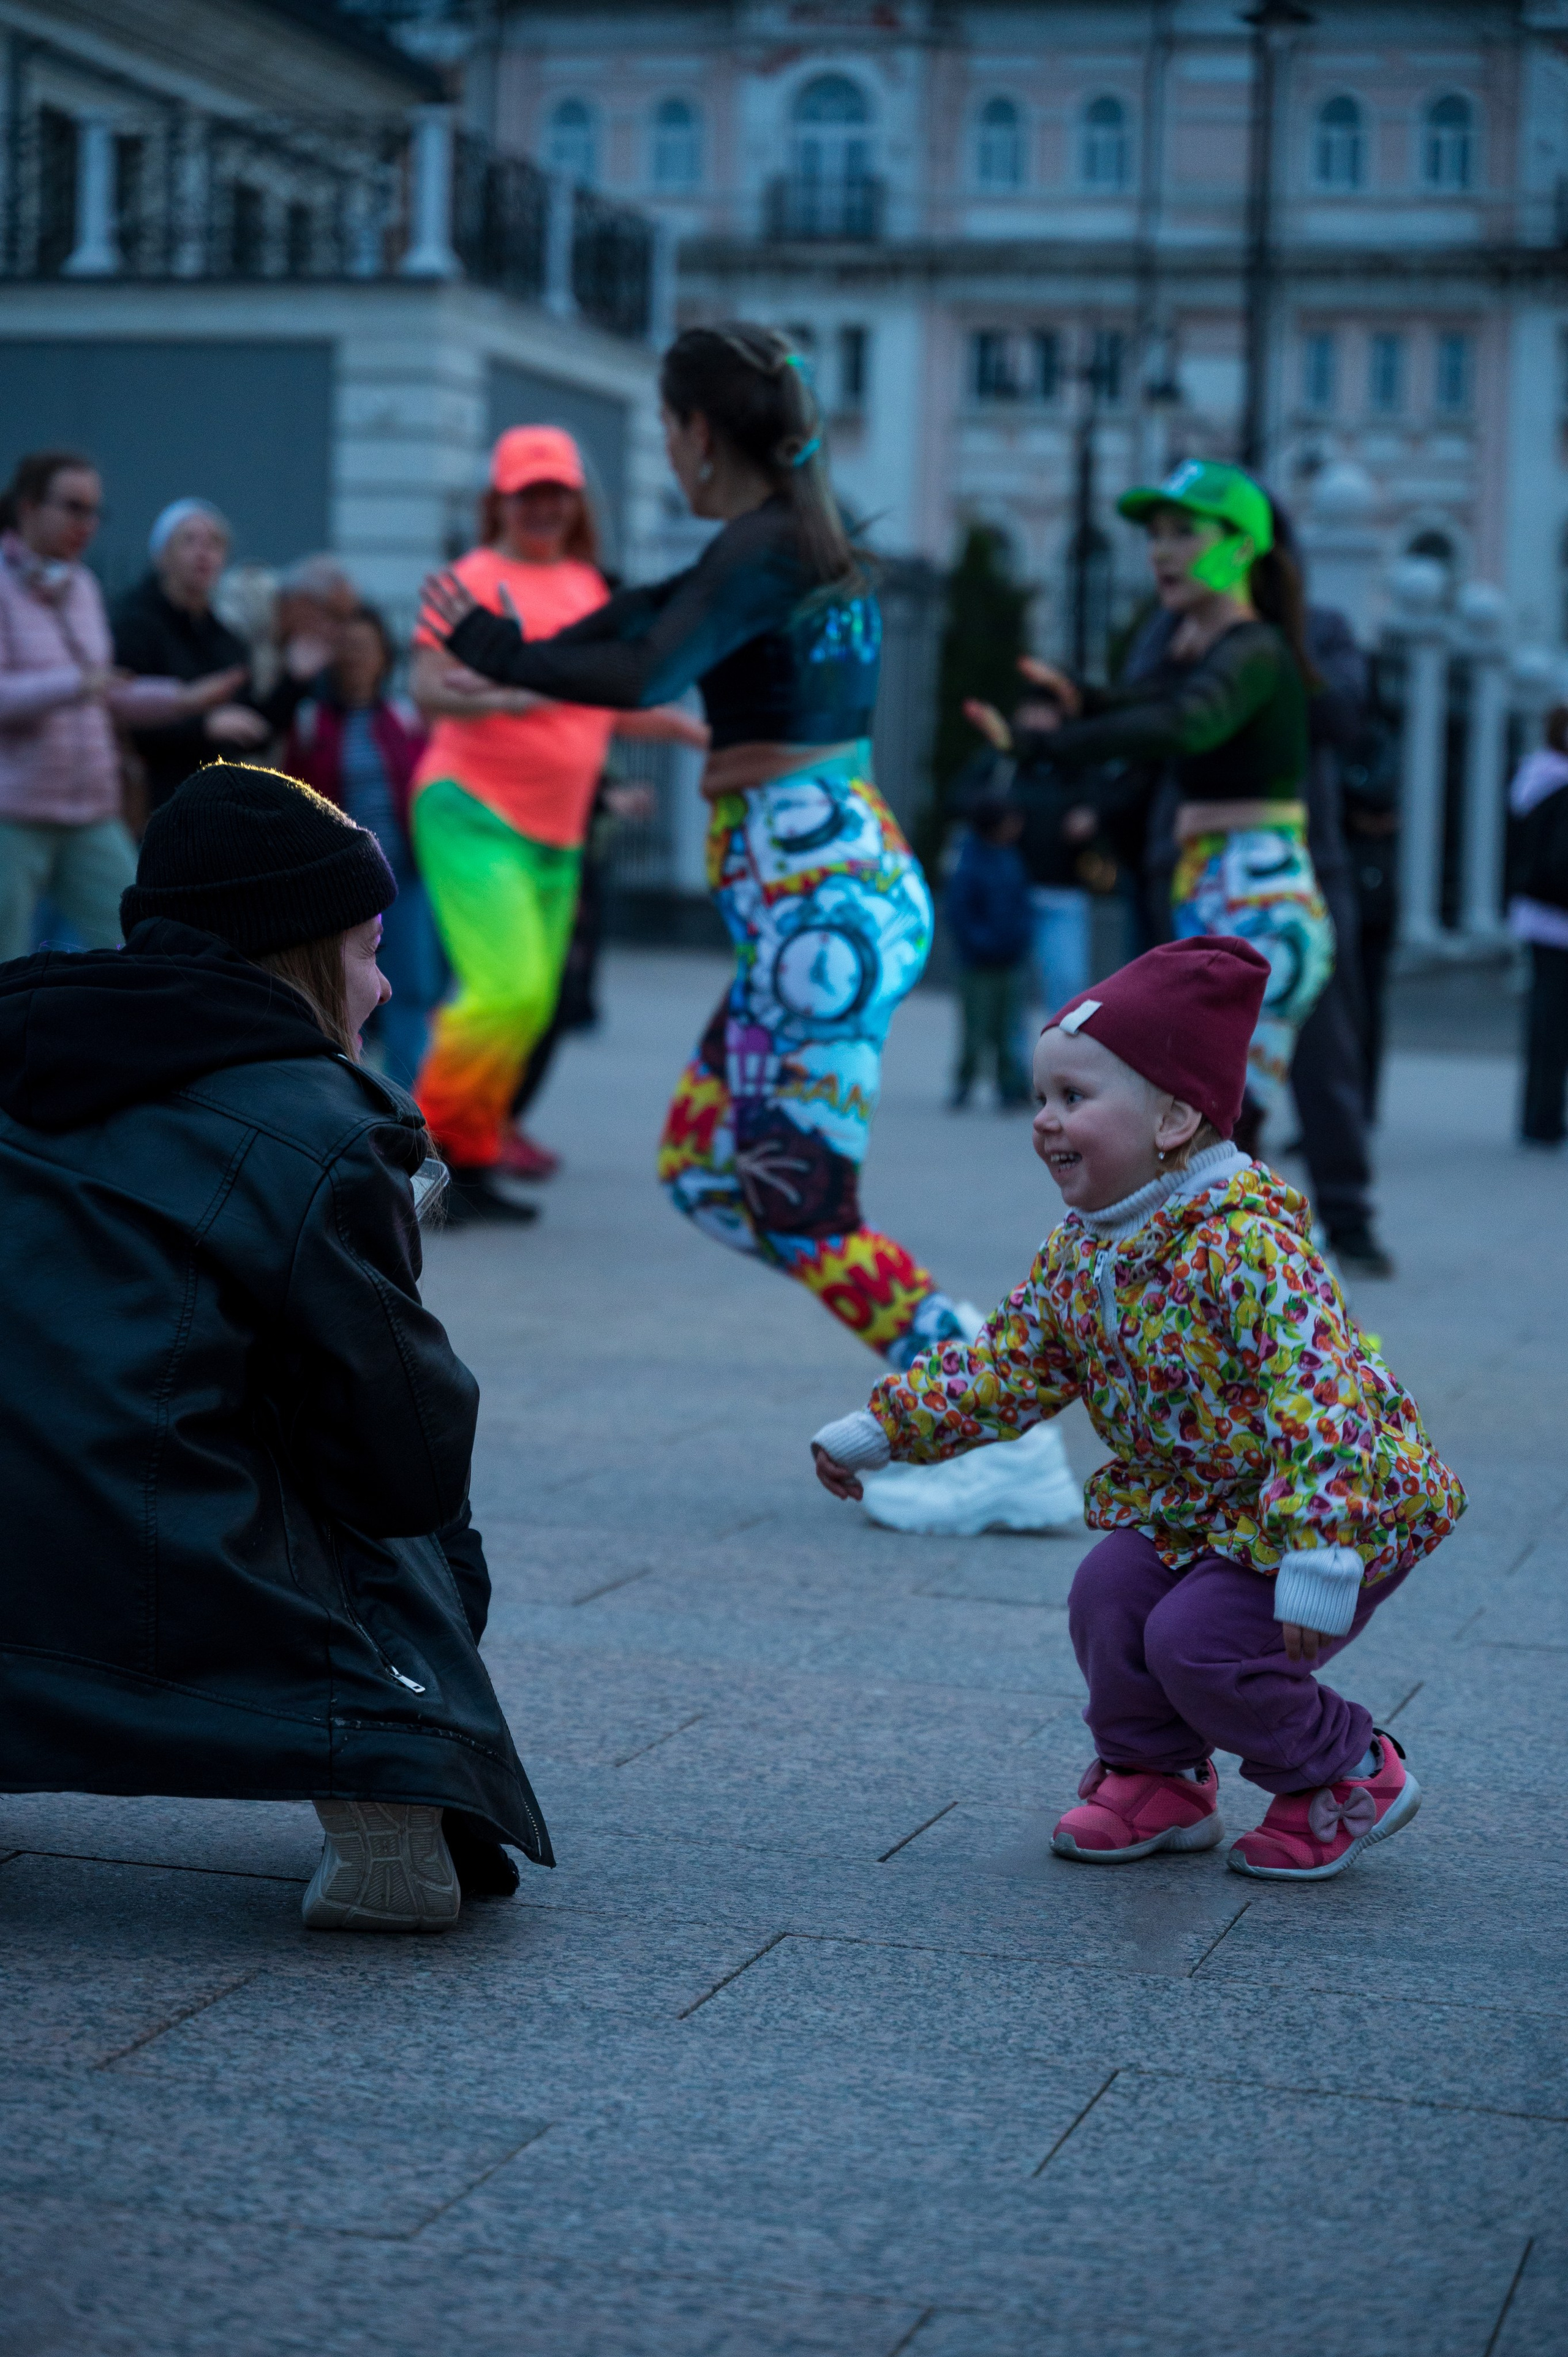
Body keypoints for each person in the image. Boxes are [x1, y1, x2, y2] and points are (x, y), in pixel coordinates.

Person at [420, 323, 1082, 1536]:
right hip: (801, 916)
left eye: (668, 430)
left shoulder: (775, 548)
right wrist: (512, 646)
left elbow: (647, 666)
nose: (667, 453)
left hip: (816, 922)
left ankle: (997, 1422)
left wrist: (497, 649)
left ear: (694, 431)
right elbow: (641, 616)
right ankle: (967, 1380)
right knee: (703, 1175)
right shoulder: (779, 543)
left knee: (797, 1201)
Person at [0, 761, 550, 1929]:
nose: (387, 985)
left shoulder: (18, 1031)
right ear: (298, 953)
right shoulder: (319, 1124)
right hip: (155, 1556)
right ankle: (391, 1771)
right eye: (366, 948)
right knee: (388, 1484)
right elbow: (404, 1460)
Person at [811, 937, 1465, 1879]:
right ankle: (1156, 1774)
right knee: (1109, 1596)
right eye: (1041, 1098)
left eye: (1074, 1098)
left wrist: (1322, 1551)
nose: (1044, 1121)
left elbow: (1322, 1401)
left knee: (1199, 1642)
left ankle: (1344, 1771)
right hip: (1196, 1505)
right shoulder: (1087, 1249)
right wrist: (882, 1432)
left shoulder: (1249, 1248)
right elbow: (1007, 1367)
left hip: (1334, 1506)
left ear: (1173, 1118)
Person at [409, 424, 705, 1226]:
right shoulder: (470, 577)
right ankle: (407, 1157)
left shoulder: (588, 587)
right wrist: (511, 694)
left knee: (534, 1002)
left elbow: (607, 704)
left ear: (576, 502)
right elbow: (428, 688)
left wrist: (688, 731)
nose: (542, 506)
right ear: (499, 501)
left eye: (556, 493)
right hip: (471, 808)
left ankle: (468, 1163)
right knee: (502, 991)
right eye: (526, 493)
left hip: (560, 830)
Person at [1018, 461, 1334, 1156]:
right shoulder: (1207, 650)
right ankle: (1237, 1264)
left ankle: (1271, 1264)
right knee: (1206, 1142)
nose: (1160, 550)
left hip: (1258, 899)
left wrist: (1058, 744)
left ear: (1241, 547)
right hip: (1218, 889)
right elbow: (1155, 705)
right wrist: (1082, 700)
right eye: (1155, 534)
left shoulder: (1253, 650)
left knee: (1215, 1137)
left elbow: (1185, 722)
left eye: (1184, 533)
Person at [0, 450, 234, 960]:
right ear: (28, 507)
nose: (87, 524)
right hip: (14, 810)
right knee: (8, 956)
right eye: (73, 507)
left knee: (145, 939)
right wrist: (75, 684)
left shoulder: (81, 585)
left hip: (90, 807)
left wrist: (182, 699)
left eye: (94, 511)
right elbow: (74, 687)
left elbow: (107, 693)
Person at [284, 603, 445, 1089]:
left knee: (412, 991)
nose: (356, 658)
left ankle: (407, 1107)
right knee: (338, 996)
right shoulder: (311, 721)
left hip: (404, 877)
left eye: (366, 648)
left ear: (384, 657)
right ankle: (350, 1099)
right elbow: (293, 796)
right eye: (348, 648)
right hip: (339, 887)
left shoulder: (405, 717)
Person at [111, 499, 334, 810]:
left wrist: (294, 679)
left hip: (212, 806)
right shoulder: (132, 625)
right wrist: (204, 726)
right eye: (189, 540)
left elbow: (253, 728)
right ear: (162, 556)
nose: (204, 552)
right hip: (149, 803)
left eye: (214, 543)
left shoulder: (226, 639)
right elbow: (125, 720)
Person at [944, 782, 1033, 1109]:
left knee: (1009, 1028)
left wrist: (1020, 938)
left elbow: (1022, 904)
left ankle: (1011, 1085)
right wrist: (982, 944)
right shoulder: (969, 862)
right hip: (978, 963)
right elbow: (961, 912)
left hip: (1010, 960)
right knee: (976, 1027)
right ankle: (964, 1081)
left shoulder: (1011, 858)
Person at [1506, 703, 1568, 1145]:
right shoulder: (1560, 784)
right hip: (1558, 915)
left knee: (1543, 1019)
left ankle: (1537, 1116)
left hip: (1535, 912)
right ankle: (1546, 1117)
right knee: (1554, 1022)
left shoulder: (1529, 776)